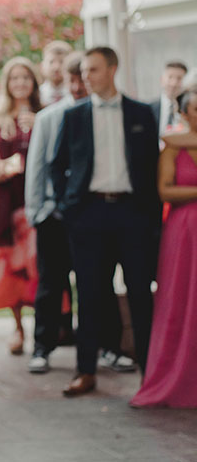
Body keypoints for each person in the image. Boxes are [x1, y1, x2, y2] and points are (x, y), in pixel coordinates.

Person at [51, 46, 160, 397]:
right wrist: (69, 209)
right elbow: (57, 165)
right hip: (89, 215)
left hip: (133, 215)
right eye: (84, 71)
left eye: (93, 70)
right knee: (90, 294)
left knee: (141, 296)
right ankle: (85, 371)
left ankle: (149, 372)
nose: (86, 77)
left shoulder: (142, 112)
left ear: (112, 69)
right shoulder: (74, 116)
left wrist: (150, 215)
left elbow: (152, 166)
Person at [25, 52, 130, 374]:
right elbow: (38, 166)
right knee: (50, 285)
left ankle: (109, 347)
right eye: (73, 79)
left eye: (82, 78)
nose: (79, 85)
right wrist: (37, 212)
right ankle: (42, 347)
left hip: (91, 215)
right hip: (54, 217)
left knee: (98, 282)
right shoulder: (50, 117)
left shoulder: (105, 114)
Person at [131, 88, 197, 408]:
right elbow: (165, 190)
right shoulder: (172, 147)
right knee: (181, 299)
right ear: (184, 113)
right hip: (185, 232)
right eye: (196, 109)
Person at [0, 57, 42, 356]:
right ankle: (18, 327)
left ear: (33, 82)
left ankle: (43, 330)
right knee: (10, 271)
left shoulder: (44, 113)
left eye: (25, 77)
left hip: (35, 203)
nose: (20, 83)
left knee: (38, 270)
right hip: (7, 203)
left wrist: (39, 126)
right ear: (7, 83)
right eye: (14, 78)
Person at [149, 61, 188, 137]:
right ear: (161, 80)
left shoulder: (190, 110)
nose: (174, 83)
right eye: (170, 77)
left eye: (179, 78)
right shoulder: (149, 109)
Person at [38, 41, 72, 107]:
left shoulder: (76, 93)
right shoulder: (37, 95)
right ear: (42, 66)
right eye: (51, 62)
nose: (56, 67)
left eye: (61, 62)